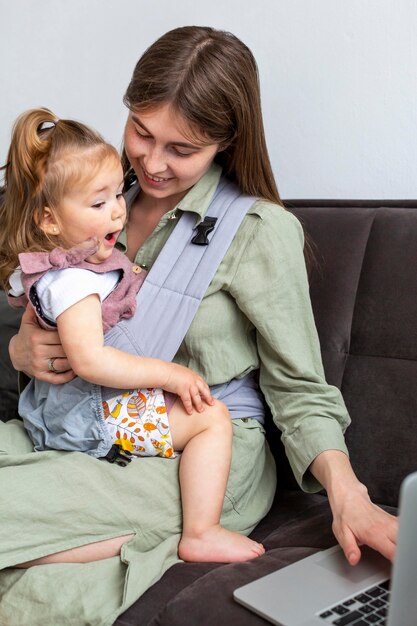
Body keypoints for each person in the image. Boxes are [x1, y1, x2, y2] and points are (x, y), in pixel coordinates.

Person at [0, 25, 397, 626]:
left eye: (181, 149)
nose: (153, 163)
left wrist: (350, 495)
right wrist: (22, 350)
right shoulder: (101, 202)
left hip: (197, 452)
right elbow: (52, 318)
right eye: (141, 132)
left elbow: (300, 389)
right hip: (82, 424)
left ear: (224, 142)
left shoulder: (258, 230)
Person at [0, 107, 265, 565]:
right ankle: (202, 530)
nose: (118, 211)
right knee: (210, 420)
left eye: (117, 196)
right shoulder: (78, 280)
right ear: (48, 220)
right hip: (92, 413)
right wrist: (171, 375)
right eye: (99, 203)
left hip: (59, 413)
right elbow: (91, 361)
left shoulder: (49, 269)